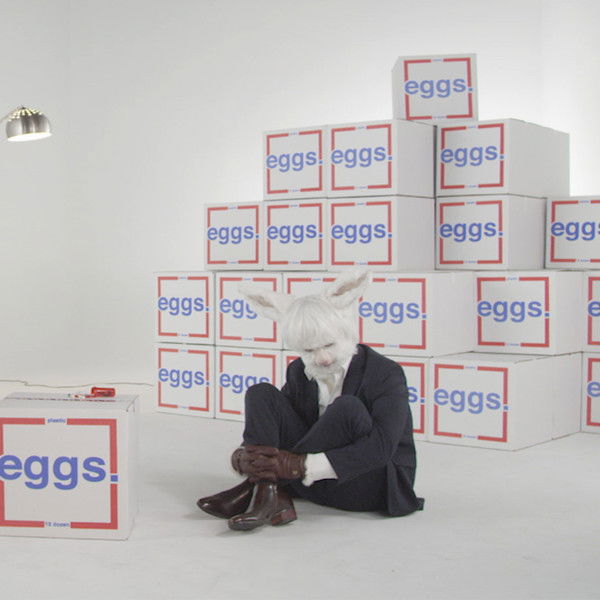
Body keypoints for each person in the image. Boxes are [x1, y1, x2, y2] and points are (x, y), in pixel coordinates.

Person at [197, 271, 424, 531]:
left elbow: (382, 448)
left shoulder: (385, 373)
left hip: (364, 485)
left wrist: (296, 465)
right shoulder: (299, 371)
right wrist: (245, 455)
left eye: (328, 345)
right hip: (311, 486)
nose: (322, 359)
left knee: (347, 408)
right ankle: (267, 491)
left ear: (346, 332)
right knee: (261, 393)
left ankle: (257, 488)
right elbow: (278, 427)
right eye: (309, 350)